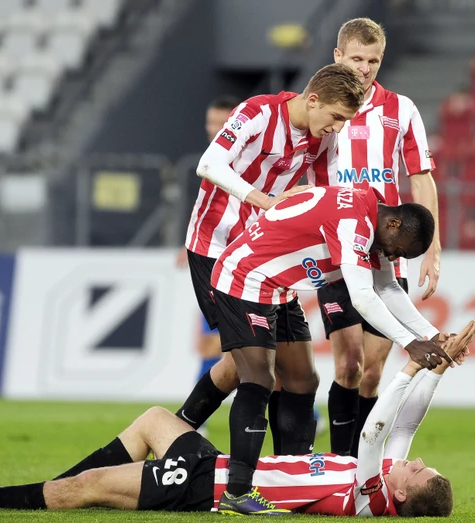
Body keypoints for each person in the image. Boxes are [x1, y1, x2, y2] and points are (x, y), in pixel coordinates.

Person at [0, 321, 475, 516]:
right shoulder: (387, 479)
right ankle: (49, 488)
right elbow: (406, 426)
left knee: (87, 488)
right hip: (220, 465)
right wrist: (440, 368)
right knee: (156, 419)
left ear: (400, 495)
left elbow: (379, 429)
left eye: (418, 471)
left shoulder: (371, 495)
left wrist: (411, 366)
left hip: (205, 488)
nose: (417, 461)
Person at [208, 185, 455, 514]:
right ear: (394, 224)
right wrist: (411, 344)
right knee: (258, 379)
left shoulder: (372, 222)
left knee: (303, 381)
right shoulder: (355, 223)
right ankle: (237, 491)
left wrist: (432, 336)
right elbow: (363, 298)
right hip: (245, 276)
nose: (394, 256)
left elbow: (387, 288)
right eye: (399, 250)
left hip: (278, 288)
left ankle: (290, 470)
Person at [175, 63, 366, 481]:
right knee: (253, 370)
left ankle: (290, 478)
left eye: (344, 122)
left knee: (299, 376)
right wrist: (267, 201)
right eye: (335, 117)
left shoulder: (325, 138)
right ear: (312, 100)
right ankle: (192, 453)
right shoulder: (258, 112)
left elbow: (328, 195)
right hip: (217, 251)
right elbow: (209, 164)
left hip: (267, 262)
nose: (337, 128)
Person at [311, 17, 444, 457]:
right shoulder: (321, 106)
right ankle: (341, 463)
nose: (365, 69)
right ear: (338, 56)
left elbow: (421, 178)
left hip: (387, 253)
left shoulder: (401, 109)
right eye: (356, 59)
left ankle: (358, 465)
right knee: (348, 365)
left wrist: (433, 247)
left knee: (372, 372)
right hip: (334, 251)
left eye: (373, 61)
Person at [176, 95, 242, 405]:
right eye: (210, 123)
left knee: (244, 344)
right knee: (215, 341)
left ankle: (307, 414)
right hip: (213, 257)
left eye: (221, 123)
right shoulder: (210, 161)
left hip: (242, 260)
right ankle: (196, 414)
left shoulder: (247, 161)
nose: (214, 129)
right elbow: (207, 210)